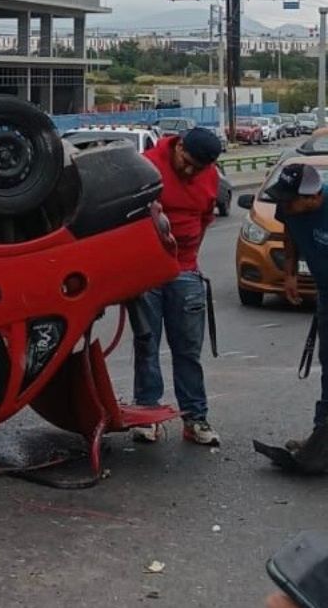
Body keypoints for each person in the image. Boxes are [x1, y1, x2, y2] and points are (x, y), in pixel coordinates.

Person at [131, 127, 224, 445]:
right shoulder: (145, 166)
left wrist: (188, 260)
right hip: (147, 271)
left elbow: (205, 218)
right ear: (179, 145)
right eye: (187, 162)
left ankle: (195, 418)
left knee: (187, 350)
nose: (190, 170)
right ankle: (148, 414)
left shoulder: (209, 175)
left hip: (185, 271)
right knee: (147, 344)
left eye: (198, 167)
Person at [261, 161, 328, 472]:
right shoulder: (289, 207)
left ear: (314, 197)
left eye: (291, 201)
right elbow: (289, 232)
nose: (284, 206)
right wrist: (289, 273)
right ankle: (321, 440)